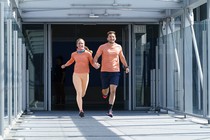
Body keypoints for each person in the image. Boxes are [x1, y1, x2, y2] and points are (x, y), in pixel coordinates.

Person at [93, 31, 129, 117]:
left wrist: (126, 66)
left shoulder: (118, 47)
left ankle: (110, 110)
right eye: (110, 37)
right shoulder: (102, 47)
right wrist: (95, 63)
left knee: (113, 90)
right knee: (105, 91)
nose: (111, 38)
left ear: (115, 38)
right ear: (107, 38)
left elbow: (122, 57)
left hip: (115, 71)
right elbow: (96, 57)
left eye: (113, 37)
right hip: (104, 71)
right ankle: (104, 94)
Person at [61, 38, 100, 117]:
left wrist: (96, 66)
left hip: (85, 74)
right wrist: (65, 65)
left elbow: (92, 62)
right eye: (79, 43)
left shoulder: (88, 54)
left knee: (83, 93)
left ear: (84, 44)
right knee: (78, 92)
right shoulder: (74, 54)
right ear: (76, 45)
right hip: (76, 75)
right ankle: (81, 110)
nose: (80, 45)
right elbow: (71, 61)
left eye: (82, 43)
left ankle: (80, 100)